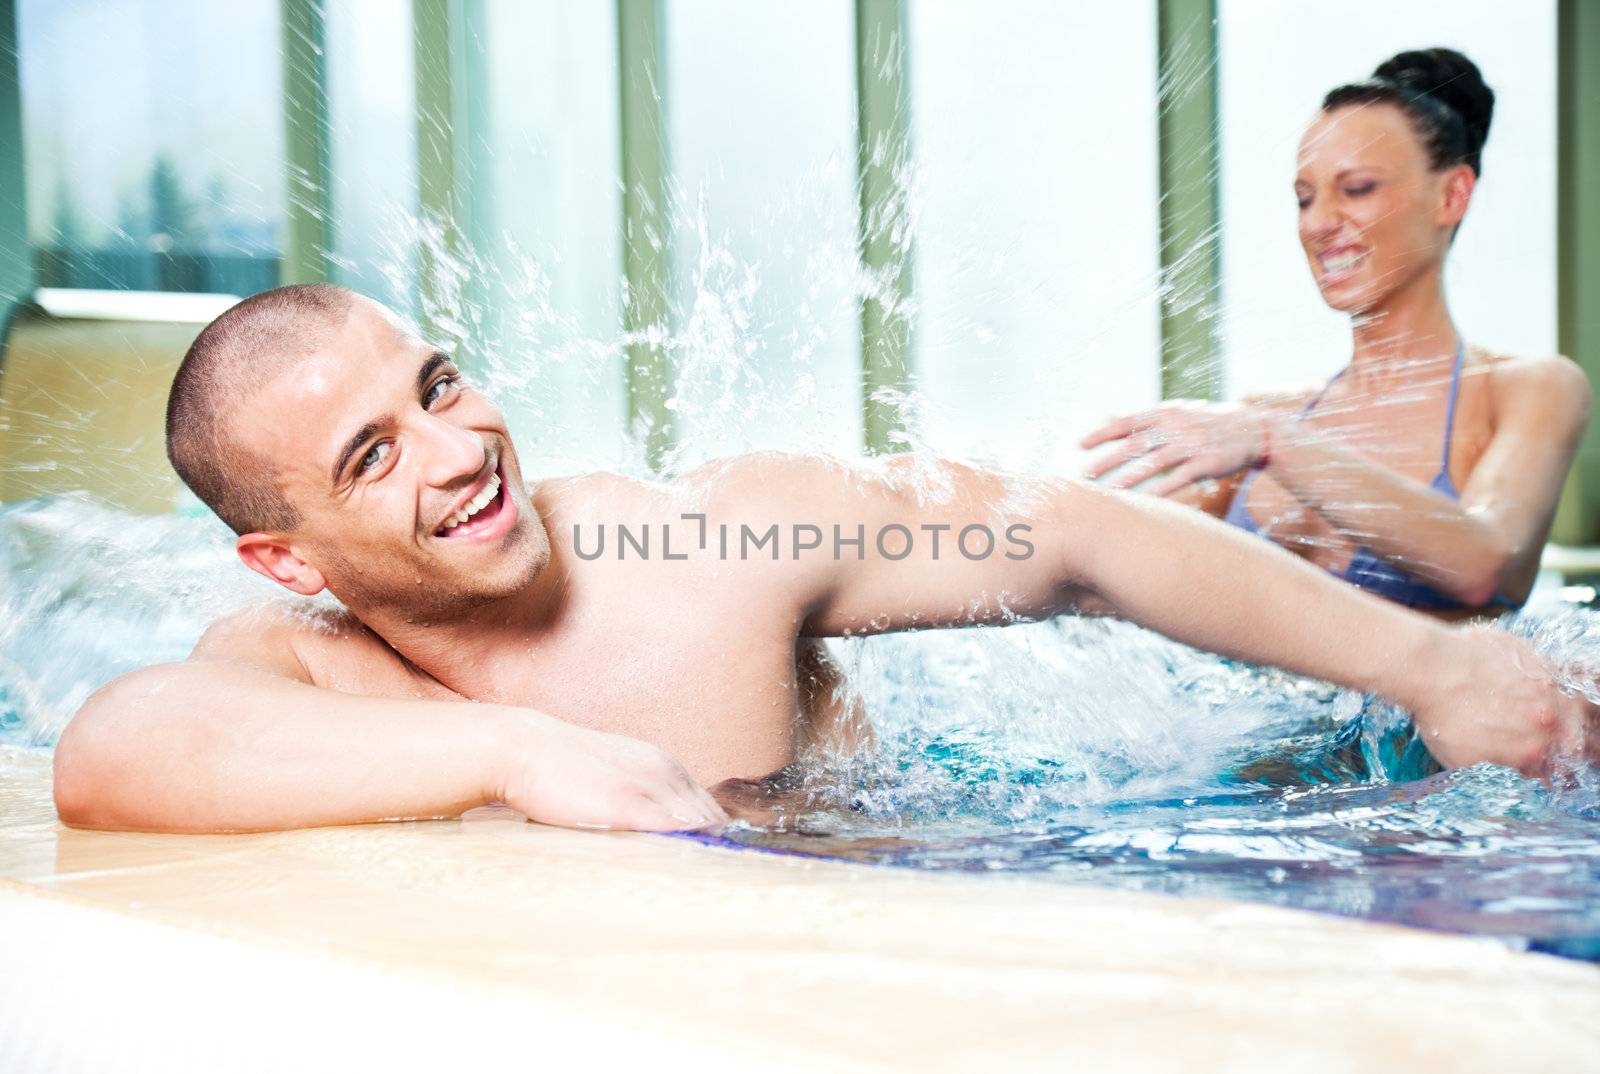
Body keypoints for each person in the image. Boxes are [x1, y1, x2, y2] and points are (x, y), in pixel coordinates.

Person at [52, 285, 1594, 836]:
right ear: (287, 556)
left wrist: (1433, 662)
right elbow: (111, 747)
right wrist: (518, 750)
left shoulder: (708, 535)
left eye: (437, 386)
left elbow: (1069, 533)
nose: (458, 451)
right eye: (372, 457)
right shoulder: (303, 667)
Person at [1082, 49, 1588, 617]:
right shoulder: (1266, 417)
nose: (1317, 223)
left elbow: (1486, 563)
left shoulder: (1528, 389)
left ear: (1451, 195)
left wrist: (1274, 442)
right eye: (1305, 197)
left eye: (1358, 188)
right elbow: (1113, 568)